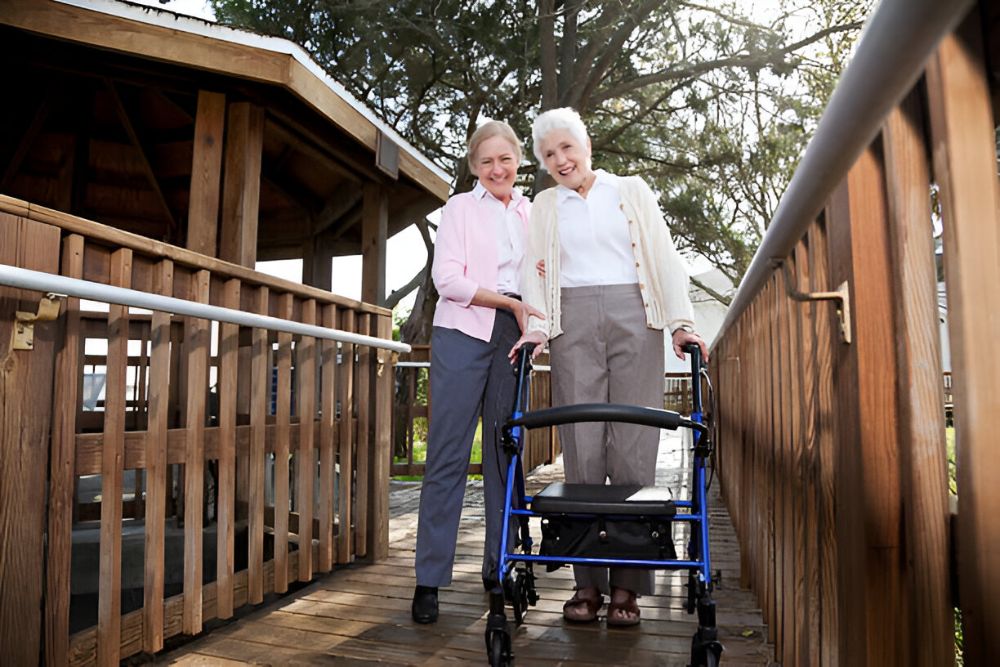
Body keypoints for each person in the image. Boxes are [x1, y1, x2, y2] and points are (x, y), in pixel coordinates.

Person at [512, 107, 708, 627]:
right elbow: (533, 272)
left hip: (635, 317)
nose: (560, 160)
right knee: (581, 448)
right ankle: (586, 587)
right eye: (549, 154)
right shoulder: (546, 206)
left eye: (566, 148)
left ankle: (627, 588)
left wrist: (680, 323)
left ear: (586, 146)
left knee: (632, 448)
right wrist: (535, 326)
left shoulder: (631, 191)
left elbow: (664, 257)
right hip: (570, 321)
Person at [411, 120, 543, 624]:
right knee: (446, 454)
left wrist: (532, 323)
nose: (496, 169)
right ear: (473, 167)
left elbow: (544, 283)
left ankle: (500, 564)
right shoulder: (460, 208)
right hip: (462, 334)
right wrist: (509, 305)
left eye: (504, 159)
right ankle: (429, 579)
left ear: (517, 161)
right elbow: (448, 281)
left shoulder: (535, 213)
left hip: (515, 338)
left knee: (503, 458)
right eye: (485, 161)